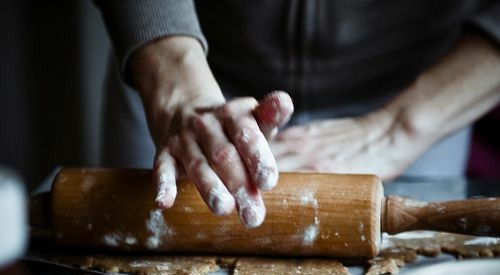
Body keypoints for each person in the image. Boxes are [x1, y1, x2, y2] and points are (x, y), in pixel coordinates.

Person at [94, 1, 500, 227]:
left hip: (427, 89)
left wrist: (399, 128)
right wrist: (177, 86)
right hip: (186, 71)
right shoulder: (179, 84)